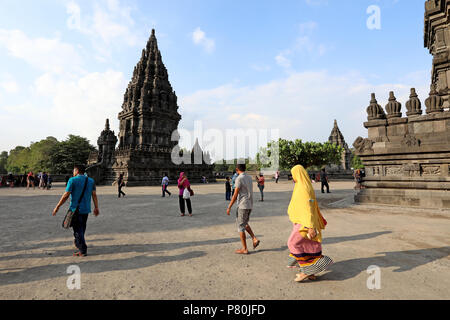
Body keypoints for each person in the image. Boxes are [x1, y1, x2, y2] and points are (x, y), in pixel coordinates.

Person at [287, 165, 333, 282]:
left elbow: (309, 208)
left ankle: (305, 271)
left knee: (292, 243)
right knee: (308, 245)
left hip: (305, 223)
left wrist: (310, 227)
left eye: (293, 174)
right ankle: (311, 272)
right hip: (302, 221)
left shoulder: (303, 187)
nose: (293, 177)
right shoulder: (301, 185)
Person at [52, 164, 99, 257]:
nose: (73, 172)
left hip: (75, 209)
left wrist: (57, 206)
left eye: (73, 171)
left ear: (77, 171)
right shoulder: (91, 181)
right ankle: (78, 242)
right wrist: (96, 207)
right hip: (86, 209)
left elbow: (66, 195)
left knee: (77, 230)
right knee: (82, 228)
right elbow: (94, 195)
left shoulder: (72, 180)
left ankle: (82, 249)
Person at [226, 164, 260, 255]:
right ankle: (254, 238)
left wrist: (229, 206)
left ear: (237, 169)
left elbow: (235, 194)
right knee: (244, 223)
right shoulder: (249, 177)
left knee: (240, 227)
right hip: (249, 204)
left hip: (242, 205)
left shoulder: (239, 178)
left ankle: (244, 248)